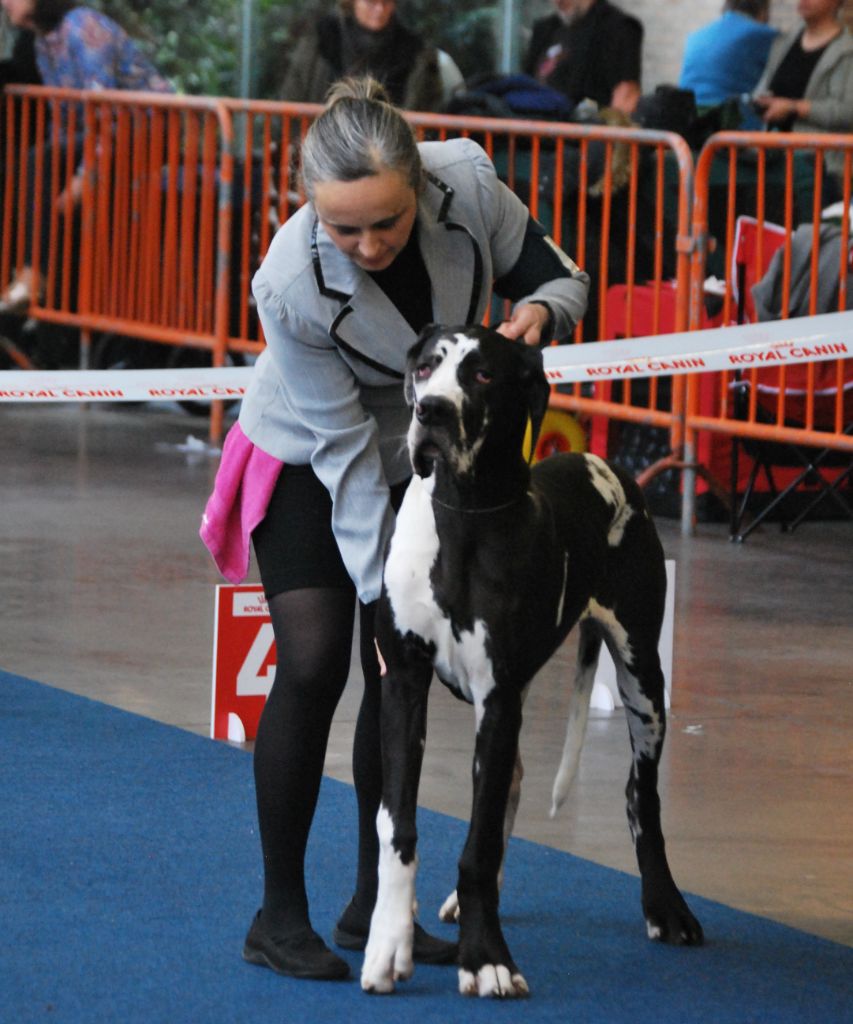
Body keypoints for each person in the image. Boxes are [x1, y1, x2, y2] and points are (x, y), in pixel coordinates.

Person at [200, 75, 590, 981]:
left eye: (389, 222)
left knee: (395, 683)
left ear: (420, 186)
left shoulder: (470, 184)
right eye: (345, 230)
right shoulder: (287, 281)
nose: (370, 245)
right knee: (316, 660)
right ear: (310, 206)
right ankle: (277, 916)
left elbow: (562, 277)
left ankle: (374, 907)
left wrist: (539, 312)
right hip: (311, 453)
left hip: (434, 445)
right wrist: (389, 596)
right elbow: (344, 456)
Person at [0, 0, 172, 314]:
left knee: (41, 162)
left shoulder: (83, 26)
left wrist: (84, 178)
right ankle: (41, 292)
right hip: (107, 135)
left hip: (147, 130)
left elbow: (106, 114)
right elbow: (63, 120)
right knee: (37, 174)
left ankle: (33, 274)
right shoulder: (44, 41)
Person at [752, 0, 853, 186]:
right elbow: (765, 86)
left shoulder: (846, 51)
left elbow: (848, 111)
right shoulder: (784, 42)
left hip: (821, 170)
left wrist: (795, 108)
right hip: (773, 160)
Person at [280, 0, 447, 112]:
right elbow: (293, 94)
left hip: (387, 145)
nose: (379, 9)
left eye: (386, 2)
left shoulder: (415, 51)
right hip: (323, 141)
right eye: (371, 2)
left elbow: (428, 106)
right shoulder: (322, 38)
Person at [522, 0, 644, 116]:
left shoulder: (618, 28)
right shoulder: (544, 29)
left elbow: (626, 94)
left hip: (583, 125)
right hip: (533, 120)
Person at [678, 0, 778, 123]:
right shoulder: (762, 34)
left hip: (686, 119)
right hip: (725, 120)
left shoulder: (696, 35)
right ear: (763, 10)